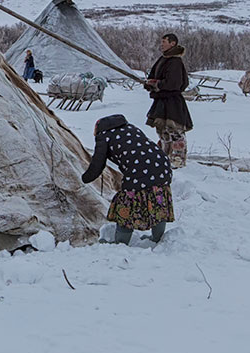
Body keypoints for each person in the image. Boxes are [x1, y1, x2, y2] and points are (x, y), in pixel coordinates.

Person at [82, 114, 174, 244]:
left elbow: (98, 163)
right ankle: (157, 238)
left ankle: (120, 243)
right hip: (162, 165)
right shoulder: (131, 128)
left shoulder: (104, 136)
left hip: (139, 171)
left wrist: (85, 178)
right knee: (158, 202)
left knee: (126, 206)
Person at [145, 33, 193, 169]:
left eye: (164, 41)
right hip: (161, 102)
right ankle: (164, 159)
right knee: (163, 132)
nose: (162, 44)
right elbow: (153, 76)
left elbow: (175, 83)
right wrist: (149, 83)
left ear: (173, 43)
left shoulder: (175, 61)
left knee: (175, 132)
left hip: (173, 102)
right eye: (161, 41)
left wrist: (157, 84)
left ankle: (178, 161)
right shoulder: (163, 59)